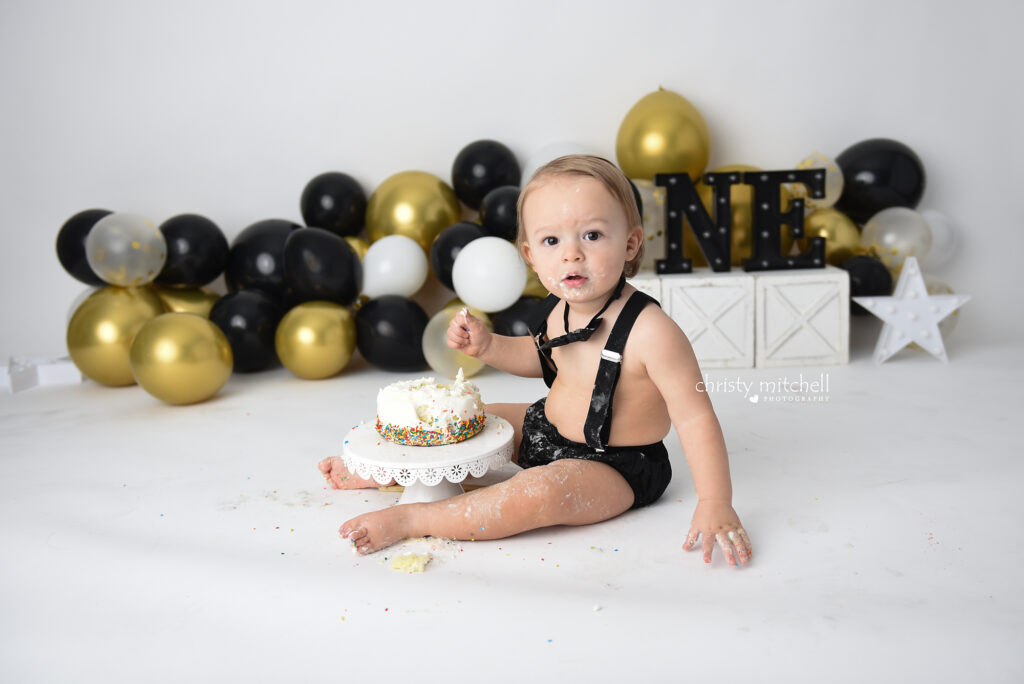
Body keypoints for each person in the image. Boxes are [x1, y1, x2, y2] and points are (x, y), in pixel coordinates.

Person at [319, 154, 751, 566]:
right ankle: (393, 474)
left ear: (631, 243)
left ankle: (415, 518)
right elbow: (542, 356)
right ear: (531, 255)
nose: (571, 254)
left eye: (592, 235)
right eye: (551, 241)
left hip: (617, 466)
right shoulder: (559, 307)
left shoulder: (653, 333)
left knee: (539, 492)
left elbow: (695, 418)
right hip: (545, 427)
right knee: (470, 422)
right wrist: (489, 346)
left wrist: (716, 501)